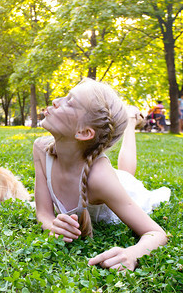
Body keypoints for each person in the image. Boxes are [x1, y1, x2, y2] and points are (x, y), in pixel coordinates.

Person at [33, 78, 170, 271]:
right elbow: (43, 213)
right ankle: (130, 119)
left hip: (125, 190)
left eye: (69, 102)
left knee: (127, 177)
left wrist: (132, 254)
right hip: (108, 177)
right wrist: (51, 227)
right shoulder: (41, 148)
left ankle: (130, 121)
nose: (56, 100)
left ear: (83, 132)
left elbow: (156, 233)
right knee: (123, 173)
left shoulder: (100, 178)